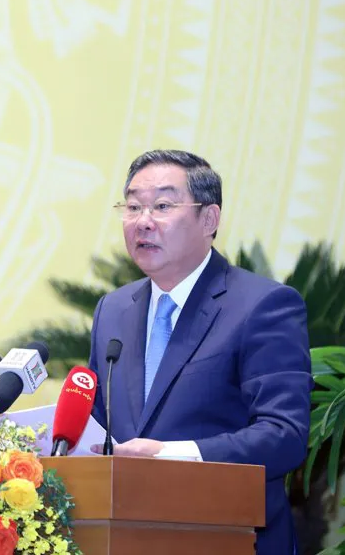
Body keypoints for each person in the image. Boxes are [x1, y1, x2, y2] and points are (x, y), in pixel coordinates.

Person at [87, 149, 313, 555]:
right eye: (133, 207)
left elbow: (284, 435)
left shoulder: (263, 305)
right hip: (126, 538)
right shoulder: (113, 310)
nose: (143, 221)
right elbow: (98, 425)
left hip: (231, 538)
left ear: (209, 219)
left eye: (162, 206)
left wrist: (172, 455)